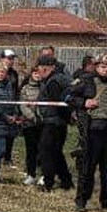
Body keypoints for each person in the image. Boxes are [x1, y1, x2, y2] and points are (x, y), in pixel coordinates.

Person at [70, 53, 107, 212]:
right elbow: (68, 97)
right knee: (87, 169)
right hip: (92, 132)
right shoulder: (87, 81)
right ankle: (81, 200)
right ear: (97, 67)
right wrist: (84, 102)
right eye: (103, 67)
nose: (106, 70)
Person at [32, 59, 74, 193]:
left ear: (46, 68)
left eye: (39, 68)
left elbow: (58, 104)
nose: (39, 71)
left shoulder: (53, 82)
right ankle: (66, 180)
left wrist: (66, 117)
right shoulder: (57, 79)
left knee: (47, 152)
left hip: (53, 123)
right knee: (56, 152)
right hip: (57, 122)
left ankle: (47, 182)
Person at [17, 65, 43, 186]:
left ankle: (43, 174)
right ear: (31, 74)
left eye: (39, 73)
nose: (37, 75)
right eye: (35, 73)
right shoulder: (25, 88)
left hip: (43, 123)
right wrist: (32, 116)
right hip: (29, 124)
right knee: (31, 150)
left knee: (43, 150)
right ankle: (31, 174)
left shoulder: (45, 87)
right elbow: (23, 105)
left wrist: (40, 116)